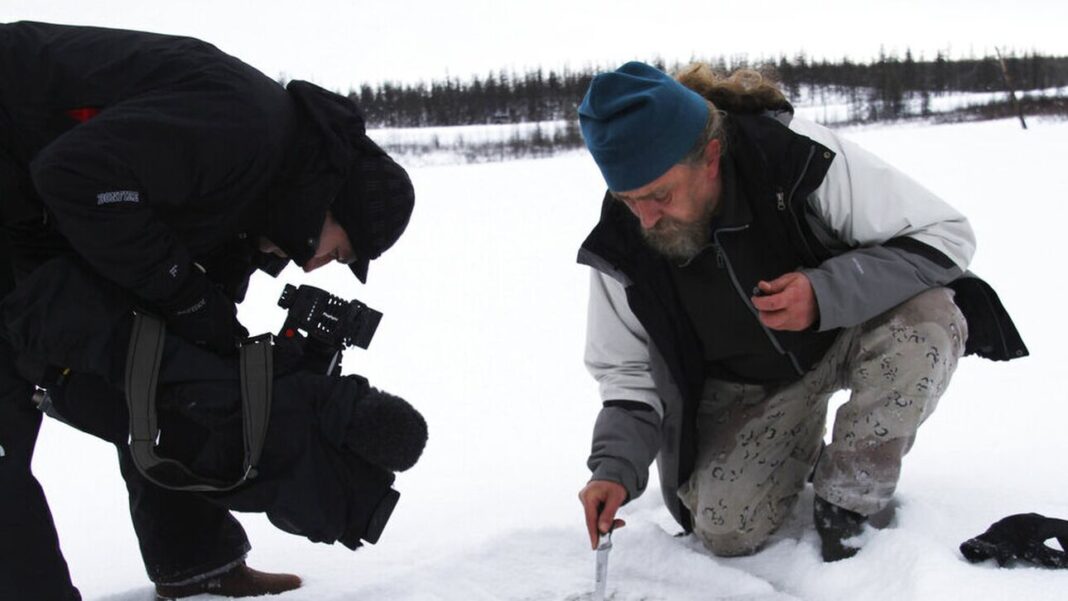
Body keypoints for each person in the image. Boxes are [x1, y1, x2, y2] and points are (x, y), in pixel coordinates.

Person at [0, 21, 414, 600]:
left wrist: (213, 326)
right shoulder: (246, 128)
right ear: (331, 202)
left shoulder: (261, 192)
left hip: (30, 205)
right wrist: (183, 291)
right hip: (28, 170)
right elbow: (73, 177)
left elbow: (188, 333)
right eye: (337, 251)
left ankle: (197, 566)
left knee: (168, 370)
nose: (314, 266)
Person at [574, 61, 1026, 562]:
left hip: (846, 334)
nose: (646, 217)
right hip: (743, 390)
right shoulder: (625, 240)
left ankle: (849, 502)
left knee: (928, 321)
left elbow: (946, 235)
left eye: (660, 194)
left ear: (711, 157)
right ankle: (795, 444)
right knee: (726, 531)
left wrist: (825, 293)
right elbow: (627, 373)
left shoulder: (796, 156)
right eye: (628, 198)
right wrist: (613, 469)